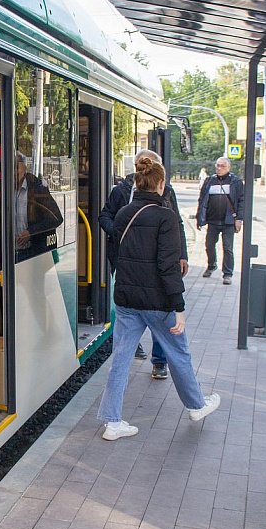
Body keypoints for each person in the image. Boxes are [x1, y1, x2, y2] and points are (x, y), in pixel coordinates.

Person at [98, 156, 220, 441]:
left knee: (120, 360)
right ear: (161, 184)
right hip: (157, 301)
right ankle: (196, 406)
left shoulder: (123, 214)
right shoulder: (166, 217)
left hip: (126, 299)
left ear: (138, 182)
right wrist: (179, 307)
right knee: (179, 354)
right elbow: (167, 266)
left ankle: (112, 423)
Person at [99, 149, 188, 379]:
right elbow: (105, 216)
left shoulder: (167, 193)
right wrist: (118, 233)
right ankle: (137, 345)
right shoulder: (121, 190)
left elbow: (177, 224)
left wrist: (183, 255)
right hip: (128, 263)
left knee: (154, 314)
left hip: (155, 266)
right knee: (154, 314)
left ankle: (159, 361)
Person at [196, 157, 245, 285]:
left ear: (228, 167)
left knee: (227, 248)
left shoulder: (236, 182)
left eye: (222, 166)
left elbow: (241, 201)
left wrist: (239, 219)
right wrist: (199, 218)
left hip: (228, 221)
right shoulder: (209, 181)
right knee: (209, 245)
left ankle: (227, 274)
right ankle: (212, 265)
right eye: (217, 165)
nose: (219, 168)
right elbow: (202, 200)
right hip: (212, 220)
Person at [14, 152, 63, 260]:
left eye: (16, 167)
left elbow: (56, 218)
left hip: (34, 252)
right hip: (10, 254)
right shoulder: (4, 192)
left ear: (25, 168)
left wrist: (31, 232)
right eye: (9, 168)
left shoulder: (37, 189)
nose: (13, 172)